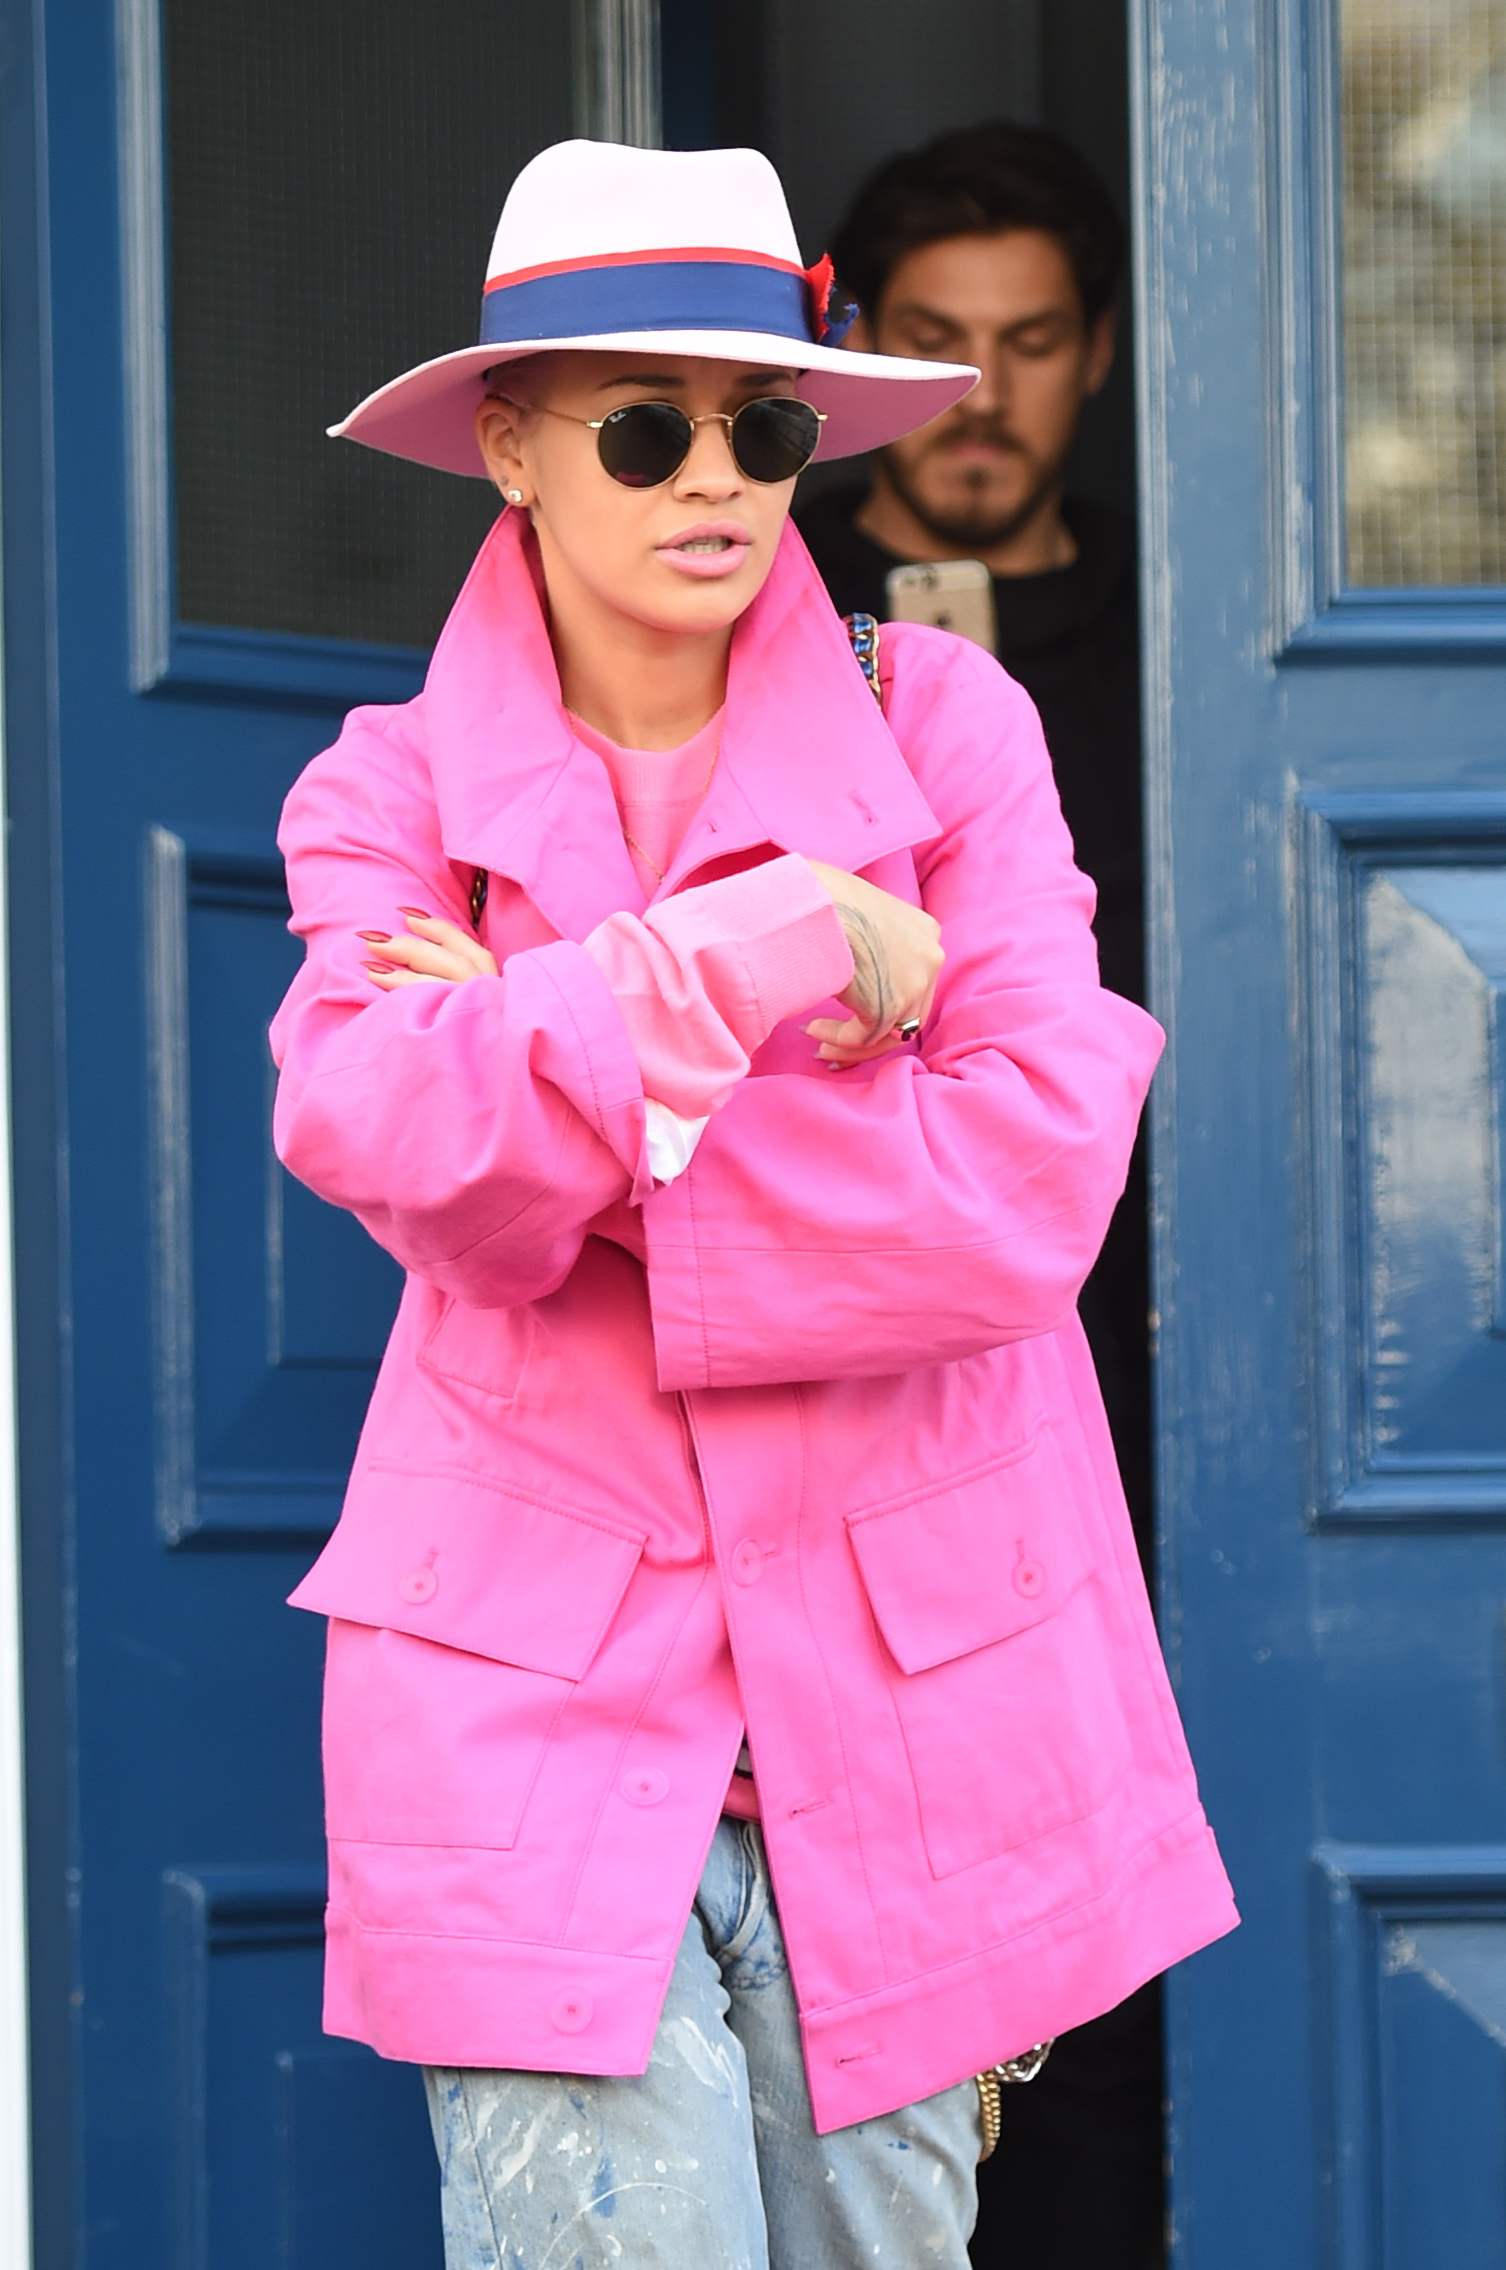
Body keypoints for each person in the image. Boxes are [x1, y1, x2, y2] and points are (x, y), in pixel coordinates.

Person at [269, 136, 1236, 2270]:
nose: (716, 475)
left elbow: (1025, 1193)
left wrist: (559, 1069)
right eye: (647, 427)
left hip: (910, 1682)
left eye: (765, 425)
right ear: (510, 445)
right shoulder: (387, 786)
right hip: (519, 1678)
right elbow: (385, 1134)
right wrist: (753, 949)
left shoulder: (945, 721)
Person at [797, 122, 1161, 2270]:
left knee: (1094, 1917)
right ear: (858, 347)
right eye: (935, 343)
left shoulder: (1191, 617)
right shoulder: (751, 602)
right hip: (841, 1367)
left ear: (1096, 354)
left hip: (1133, 1340)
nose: (982, 395)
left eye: (1029, 344)